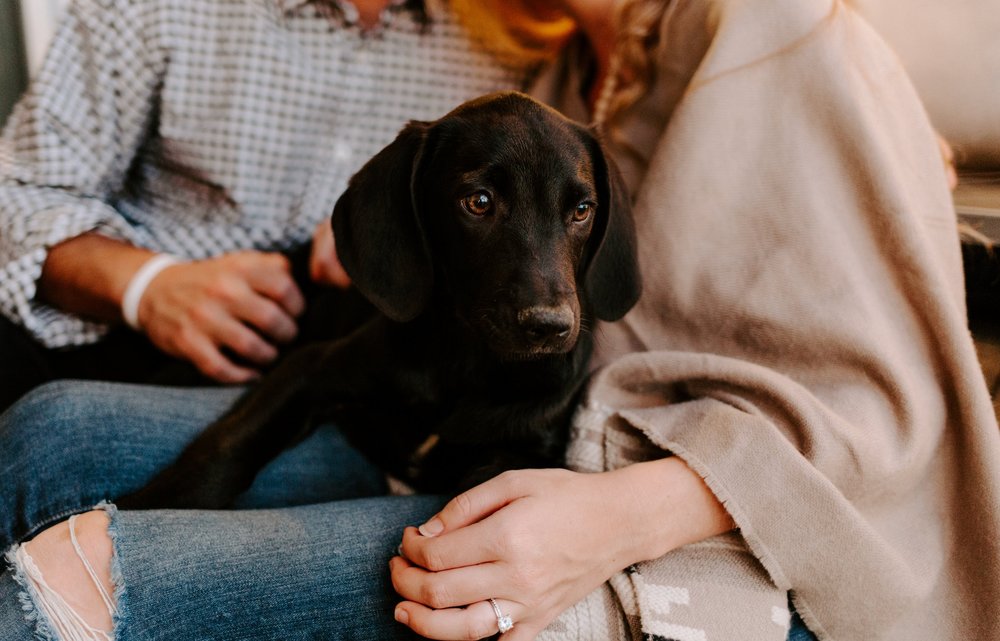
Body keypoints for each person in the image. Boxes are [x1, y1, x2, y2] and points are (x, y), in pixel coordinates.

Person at [3, 0, 1000, 640]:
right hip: (492, 429)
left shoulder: (784, 31)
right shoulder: (549, 77)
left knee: (82, 573)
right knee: (50, 430)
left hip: (691, 517)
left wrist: (615, 516)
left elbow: (886, 408)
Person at [0, 0, 539, 411]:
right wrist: (149, 287)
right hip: (115, 341)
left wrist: (386, 228)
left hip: (351, 384)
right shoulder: (151, 8)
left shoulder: (518, 38)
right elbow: (18, 197)